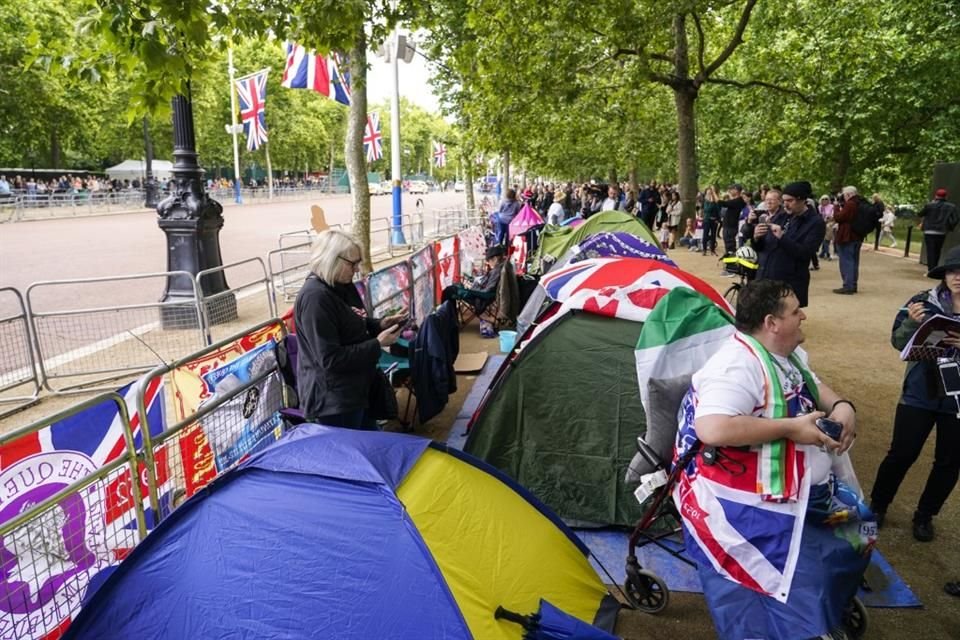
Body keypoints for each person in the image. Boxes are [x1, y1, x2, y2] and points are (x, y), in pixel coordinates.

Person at [674, 279, 871, 640]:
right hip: (749, 505)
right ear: (772, 323)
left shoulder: (787, 355)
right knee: (795, 578)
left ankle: (824, 611)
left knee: (860, 532)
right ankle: (804, 624)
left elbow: (812, 382)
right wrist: (791, 428)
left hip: (805, 493)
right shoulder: (736, 367)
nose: (804, 315)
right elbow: (713, 428)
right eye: (796, 311)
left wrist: (843, 406)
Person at [869, 245, 960, 542]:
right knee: (902, 453)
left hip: (957, 398)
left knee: (949, 461)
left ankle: (925, 515)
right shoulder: (922, 301)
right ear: (944, 274)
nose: (957, 277)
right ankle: (878, 506)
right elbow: (898, 342)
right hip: (920, 391)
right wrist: (912, 321)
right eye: (952, 271)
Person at [294, 230, 406, 429]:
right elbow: (330, 359)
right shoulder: (315, 299)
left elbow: (352, 322)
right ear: (332, 259)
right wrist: (377, 343)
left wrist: (380, 324)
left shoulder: (339, 286)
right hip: (334, 401)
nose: (356, 270)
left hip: (352, 392)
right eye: (352, 264)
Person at [752, 183, 826, 308]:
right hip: (765, 277)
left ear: (802, 200)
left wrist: (782, 238)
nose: (785, 204)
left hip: (789, 281)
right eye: (784, 200)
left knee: (784, 321)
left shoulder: (815, 223)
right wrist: (756, 237)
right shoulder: (782, 216)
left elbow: (805, 253)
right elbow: (761, 247)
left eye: (790, 201)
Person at [831, 186, 864, 295]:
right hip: (857, 235)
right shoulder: (860, 203)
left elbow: (839, 217)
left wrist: (836, 207)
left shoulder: (850, 204)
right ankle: (853, 284)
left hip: (847, 236)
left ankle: (848, 286)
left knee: (846, 261)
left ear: (849, 194)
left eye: (844, 195)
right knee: (854, 261)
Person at [918, 188, 959, 271]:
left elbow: (920, 214)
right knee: (937, 250)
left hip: (929, 231)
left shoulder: (929, 205)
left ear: (936, 195)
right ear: (946, 196)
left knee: (930, 250)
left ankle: (931, 269)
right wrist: (949, 226)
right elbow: (956, 218)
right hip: (942, 231)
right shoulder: (951, 206)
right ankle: (935, 267)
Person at [718, 183, 748, 256]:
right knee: (729, 243)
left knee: (730, 244)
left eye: (732, 189)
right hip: (730, 225)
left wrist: (713, 192)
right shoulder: (737, 201)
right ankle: (730, 258)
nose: (730, 191)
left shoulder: (737, 201)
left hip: (730, 226)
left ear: (736, 190)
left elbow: (721, 203)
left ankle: (731, 259)